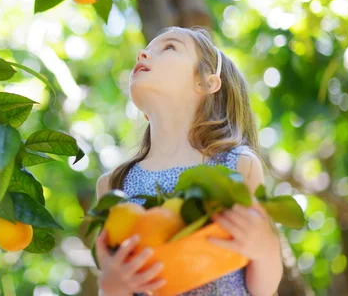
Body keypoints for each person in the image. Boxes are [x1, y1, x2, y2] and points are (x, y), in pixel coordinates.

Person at [94, 26, 283, 296]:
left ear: (207, 82)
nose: (142, 54)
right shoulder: (114, 185)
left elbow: (262, 289)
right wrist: (110, 287)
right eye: (146, 49)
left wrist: (266, 250)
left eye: (169, 47)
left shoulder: (239, 165)